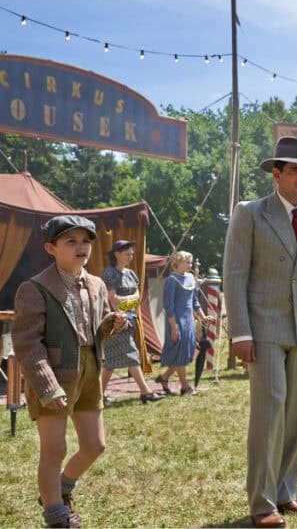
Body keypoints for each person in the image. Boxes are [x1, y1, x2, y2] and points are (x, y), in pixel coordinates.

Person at [223, 136, 297, 528]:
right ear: (276, 174)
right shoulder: (250, 213)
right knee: (271, 410)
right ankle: (262, 502)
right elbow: (235, 275)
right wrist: (240, 332)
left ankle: (286, 492)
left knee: (295, 414)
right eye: (294, 170)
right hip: (264, 329)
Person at [12, 215, 128, 528]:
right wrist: (48, 387)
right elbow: (27, 344)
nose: (81, 247)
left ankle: (61, 488)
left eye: (86, 241)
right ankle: (56, 515)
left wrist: (111, 324)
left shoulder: (97, 284)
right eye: (71, 241)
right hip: (52, 377)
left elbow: (96, 327)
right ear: (51, 248)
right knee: (55, 448)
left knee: (95, 445)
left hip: (90, 373)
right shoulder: (34, 288)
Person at [99, 240, 163, 404]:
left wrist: (125, 300)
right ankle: (145, 391)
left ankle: (97, 395)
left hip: (131, 319)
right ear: (117, 254)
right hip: (115, 321)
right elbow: (113, 300)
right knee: (132, 354)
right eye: (127, 253)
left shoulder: (131, 274)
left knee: (110, 363)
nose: (131, 255)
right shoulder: (109, 273)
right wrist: (128, 301)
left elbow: (137, 297)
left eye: (132, 253)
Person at [154, 251, 213, 397]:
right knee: (179, 352)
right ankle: (185, 387)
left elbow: (194, 302)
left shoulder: (191, 278)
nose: (190, 264)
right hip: (176, 320)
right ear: (177, 263)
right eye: (187, 261)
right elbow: (169, 306)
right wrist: (174, 327)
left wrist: (203, 317)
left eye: (190, 262)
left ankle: (164, 378)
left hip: (189, 320)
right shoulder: (171, 280)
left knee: (186, 352)